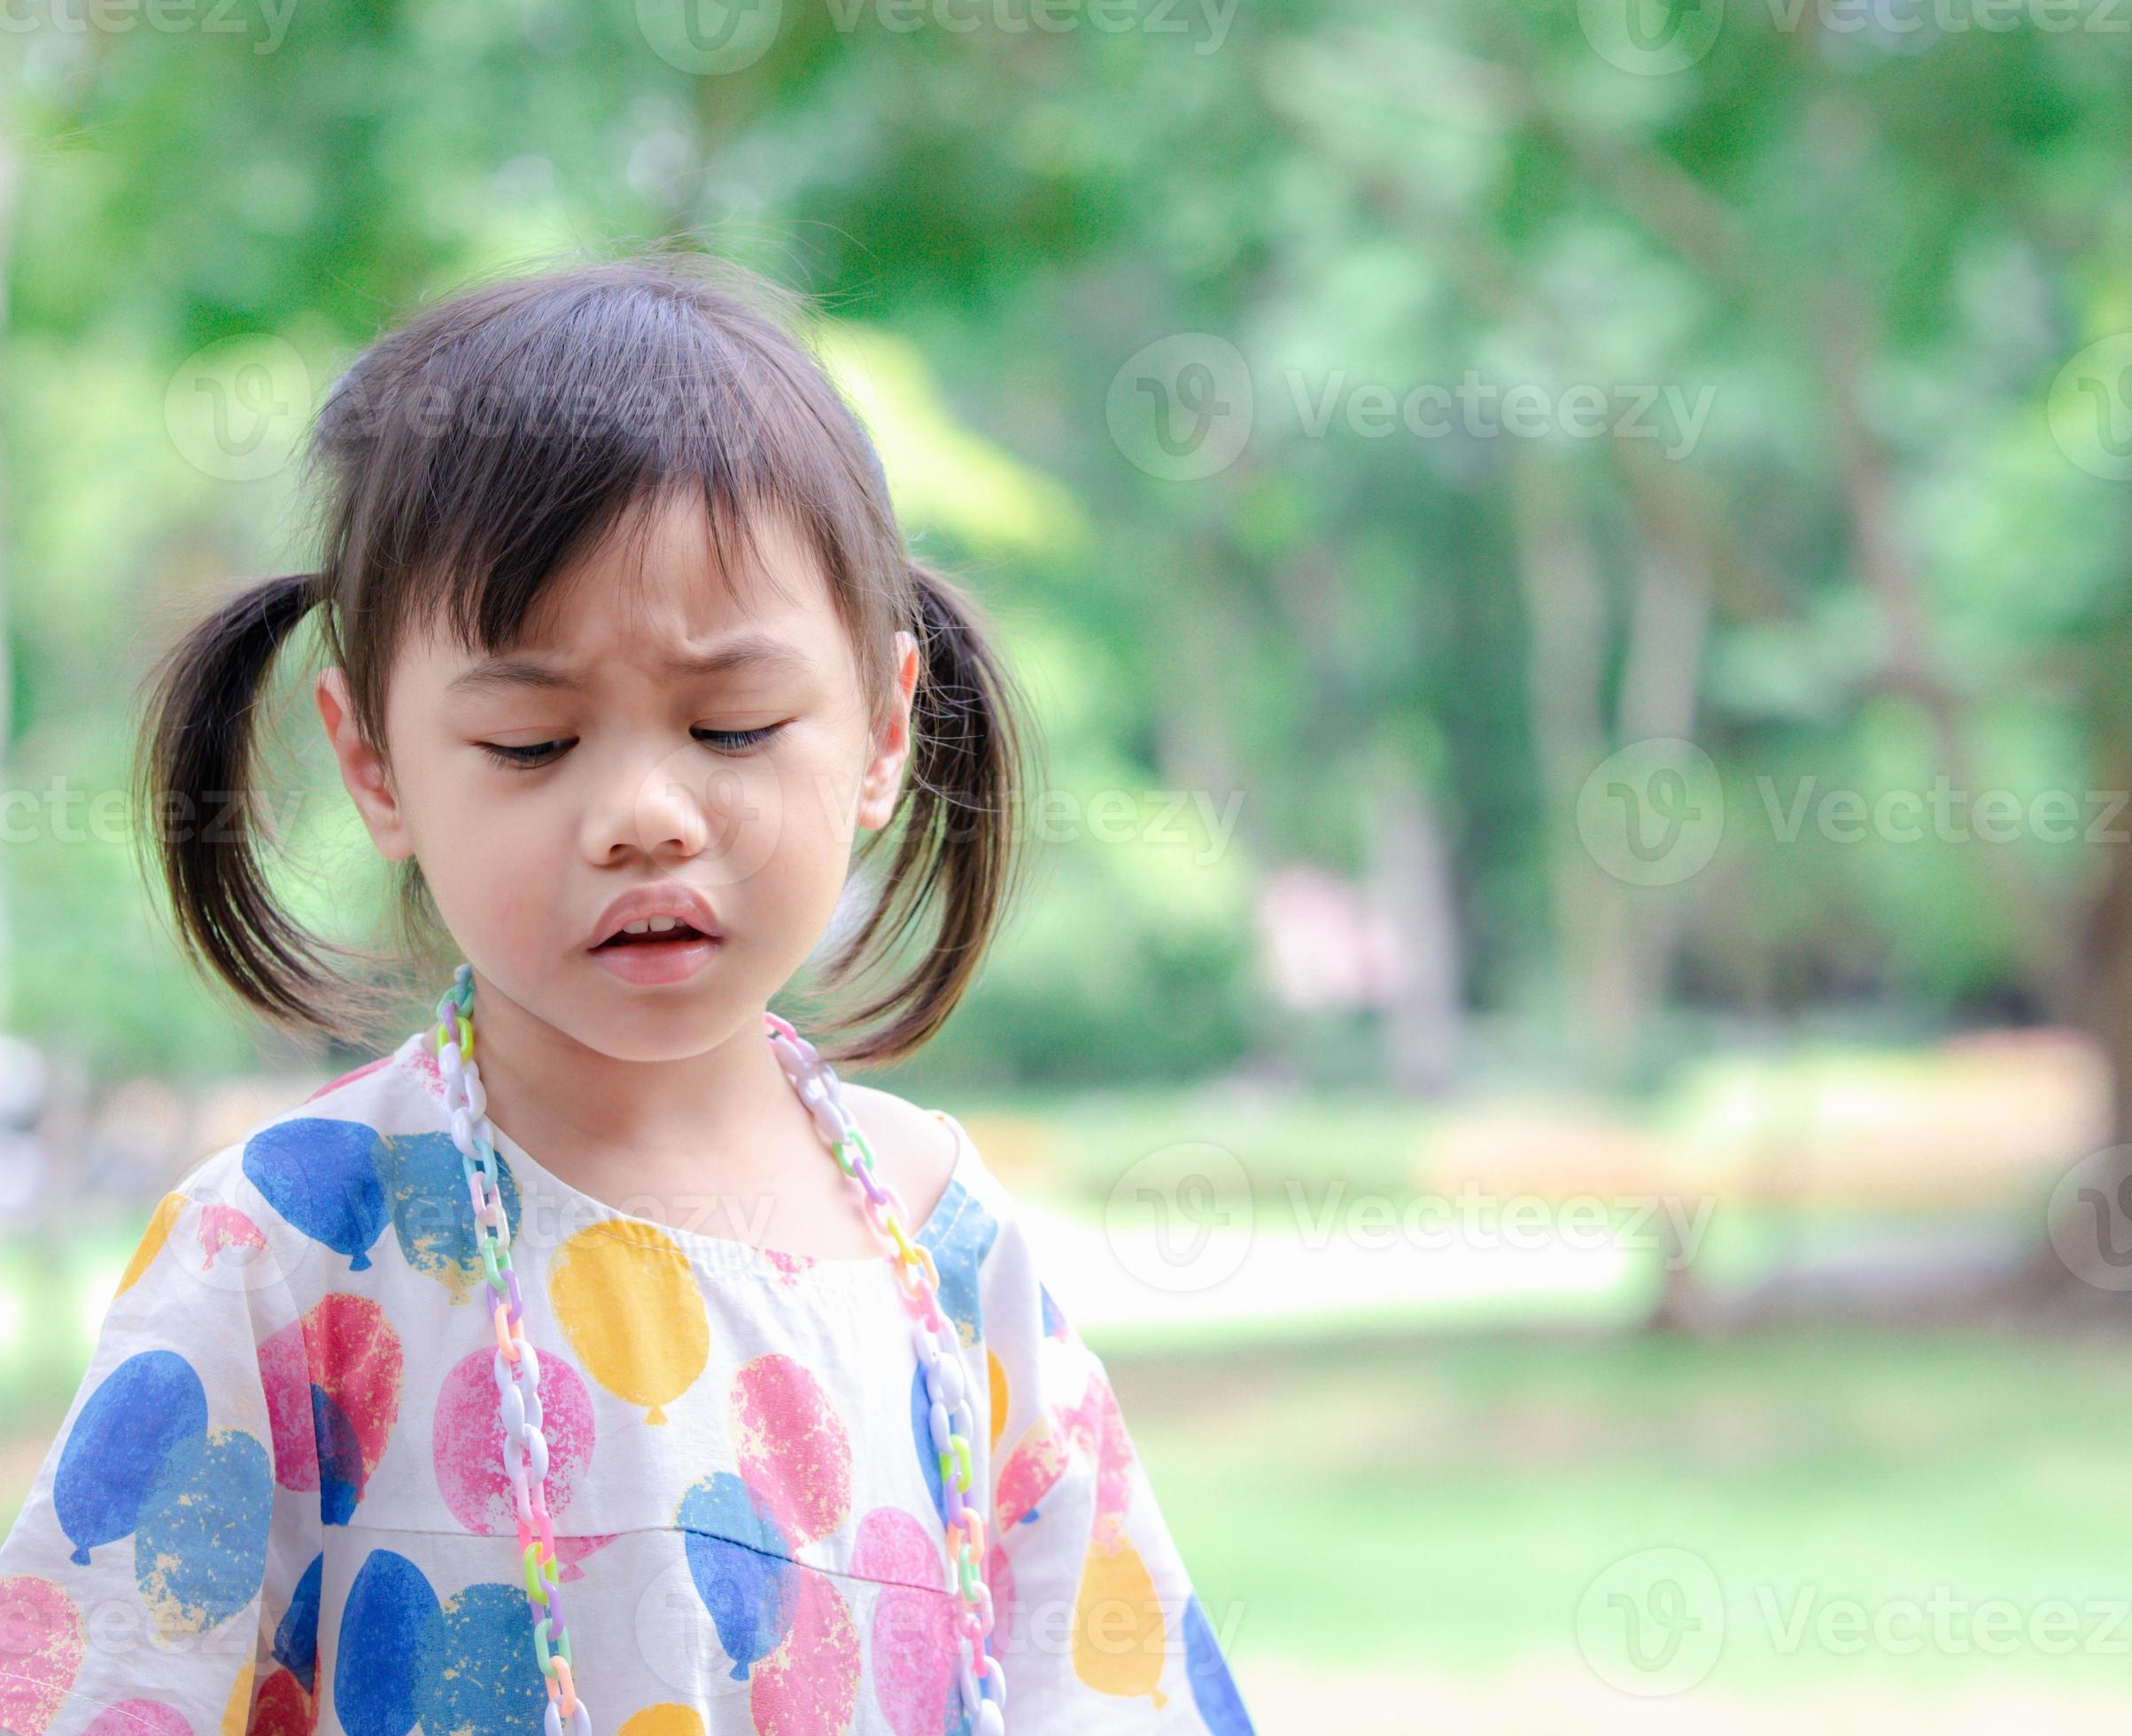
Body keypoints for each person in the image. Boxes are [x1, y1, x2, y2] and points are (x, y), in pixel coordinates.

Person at [0, 250, 1256, 1736]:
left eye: (732, 725)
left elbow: (1109, 1684)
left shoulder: (937, 1242)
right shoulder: (284, 1248)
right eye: (533, 743)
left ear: (880, 729)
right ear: (373, 761)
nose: (644, 813)